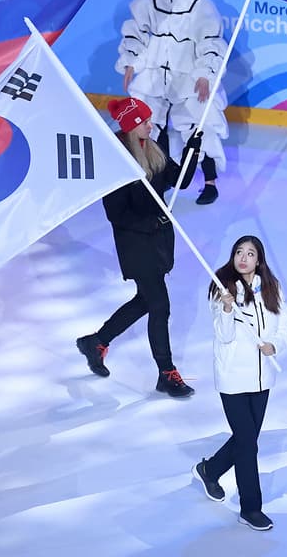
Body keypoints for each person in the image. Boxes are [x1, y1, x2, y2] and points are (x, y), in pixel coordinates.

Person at [75, 97, 200, 395]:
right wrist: (150, 224)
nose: (150, 124)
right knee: (160, 306)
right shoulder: (117, 160)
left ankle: (96, 341)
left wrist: (193, 150)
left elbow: (179, 181)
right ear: (132, 126)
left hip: (157, 240)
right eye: (144, 121)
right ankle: (166, 373)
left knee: (145, 301)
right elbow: (116, 214)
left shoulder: (152, 148)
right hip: (136, 244)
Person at [193, 235, 287, 532]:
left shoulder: (272, 288)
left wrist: (275, 345)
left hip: (263, 379)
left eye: (250, 253)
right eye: (239, 252)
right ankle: (251, 508)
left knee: (244, 439)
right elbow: (222, 336)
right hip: (233, 378)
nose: (244, 258)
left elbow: (285, 324)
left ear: (259, 260)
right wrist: (226, 309)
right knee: (248, 445)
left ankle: (209, 469)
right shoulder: (221, 288)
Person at [117, 0, 227, 204]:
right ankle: (152, 178)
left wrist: (204, 74)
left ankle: (209, 182)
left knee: (200, 124)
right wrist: (131, 61)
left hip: (188, 72)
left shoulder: (203, 6)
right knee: (149, 123)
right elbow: (136, 32)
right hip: (155, 70)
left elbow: (210, 42)